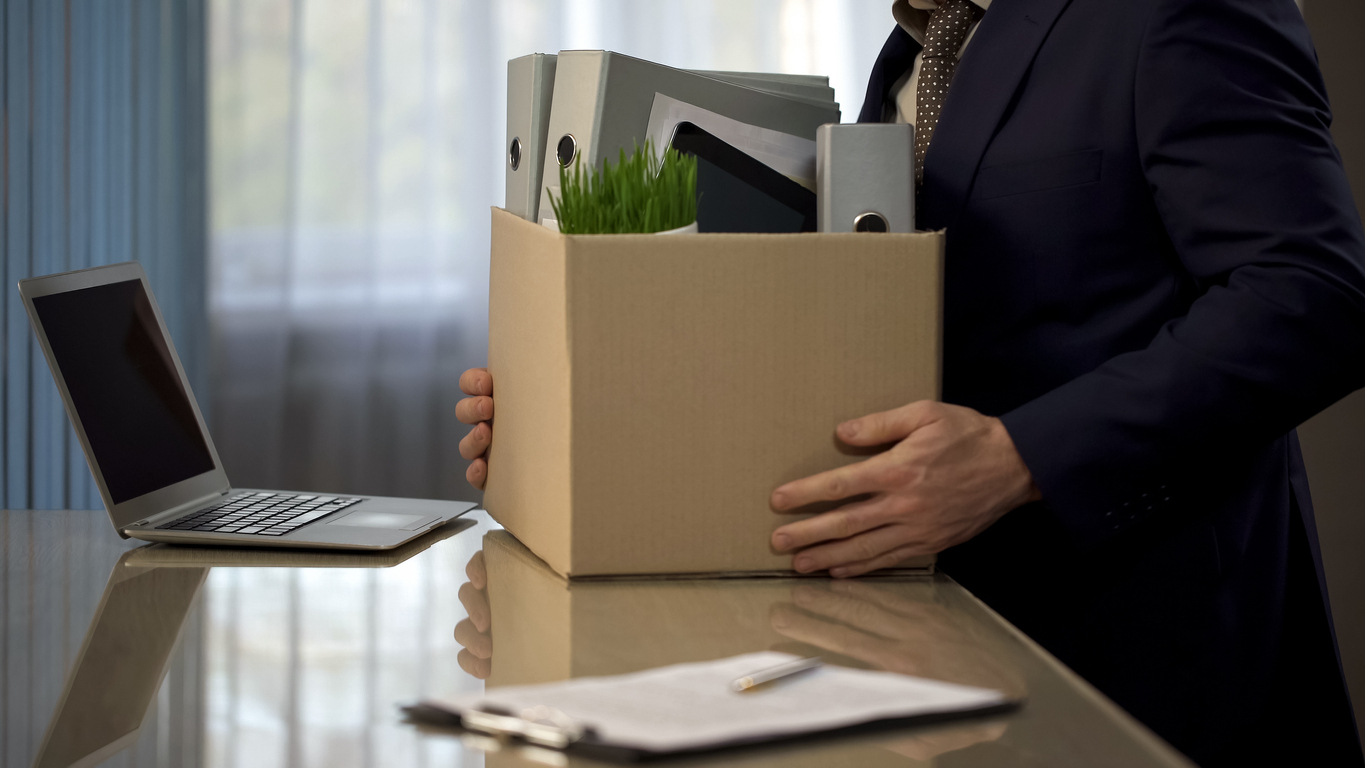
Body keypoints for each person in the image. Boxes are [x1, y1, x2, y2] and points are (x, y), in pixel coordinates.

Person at [458, 0, 1365, 763]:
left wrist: (1021, 457)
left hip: (1147, 660)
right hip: (927, 649)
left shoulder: (1175, 9)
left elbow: (1315, 298)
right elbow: (881, 323)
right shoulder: (914, 46)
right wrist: (576, 415)